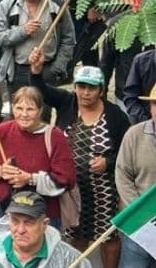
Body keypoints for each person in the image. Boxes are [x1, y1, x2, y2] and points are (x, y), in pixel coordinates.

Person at [30, 62, 129, 267]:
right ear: (74, 87)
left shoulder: (115, 115)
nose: (85, 93)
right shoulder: (67, 103)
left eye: (92, 87)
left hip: (104, 191)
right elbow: (40, 91)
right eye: (81, 86)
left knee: (109, 236)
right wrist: (36, 71)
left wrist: (108, 162)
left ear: (101, 90)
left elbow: (127, 151)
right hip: (72, 190)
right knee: (77, 233)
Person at [0, 85, 77, 226]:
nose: (24, 114)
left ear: (40, 110)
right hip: (7, 211)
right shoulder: (1, 131)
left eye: (30, 109)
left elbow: (66, 179)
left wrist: (30, 179)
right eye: (19, 108)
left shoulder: (54, 136)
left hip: (44, 214)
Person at [0, 0, 76, 100]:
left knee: (43, 115)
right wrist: (23, 31)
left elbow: (69, 39)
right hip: (17, 70)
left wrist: (56, 68)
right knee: (20, 115)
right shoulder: (8, 4)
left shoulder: (56, 5)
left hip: (46, 70)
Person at [0, 191, 86, 267]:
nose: (20, 230)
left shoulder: (68, 258)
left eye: (29, 223)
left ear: (44, 224)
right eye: (15, 221)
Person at [115, 83, 156, 268]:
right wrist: (141, 211)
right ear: (150, 107)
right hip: (139, 224)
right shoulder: (134, 134)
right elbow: (123, 175)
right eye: (155, 105)